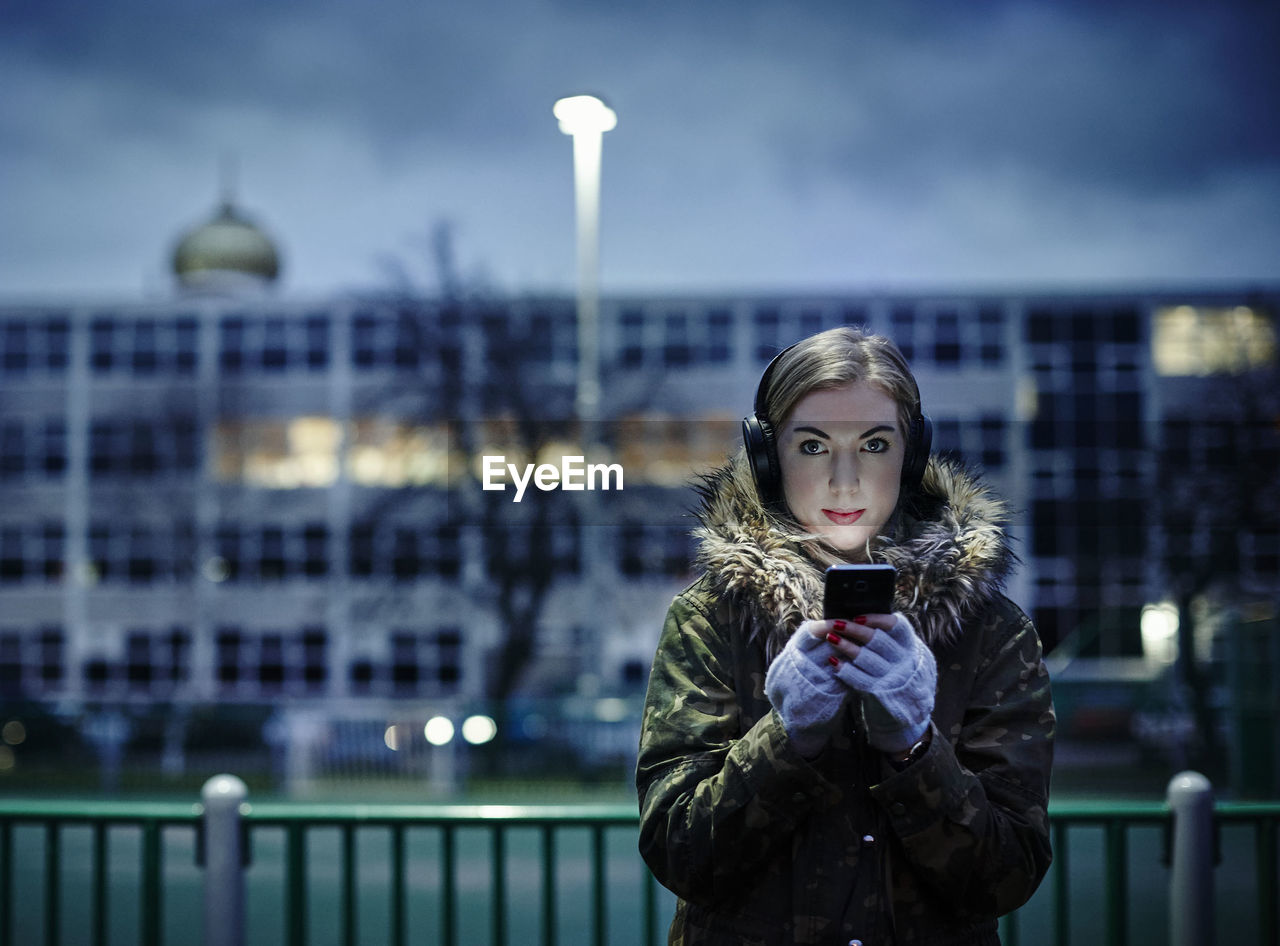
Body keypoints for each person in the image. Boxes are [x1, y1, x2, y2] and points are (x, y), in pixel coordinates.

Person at [636, 327, 1054, 945]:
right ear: (767, 457)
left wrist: (914, 746)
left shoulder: (989, 631)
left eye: (875, 444)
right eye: (812, 446)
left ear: (911, 457)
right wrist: (785, 739)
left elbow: (1006, 876)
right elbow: (680, 854)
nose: (844, 479)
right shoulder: (711, 621)